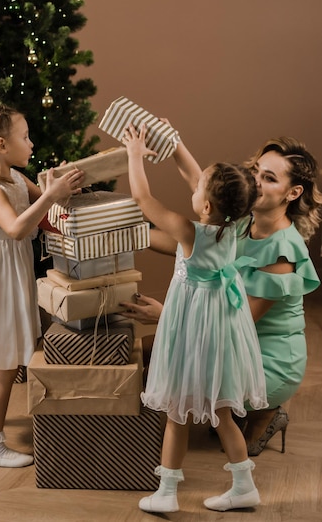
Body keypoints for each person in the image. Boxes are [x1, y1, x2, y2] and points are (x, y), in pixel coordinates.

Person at [122, 134, 322, 458]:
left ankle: (266, 411)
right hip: (222, 325)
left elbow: (238, 318)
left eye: (269, 178)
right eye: (255, 171)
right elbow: (200, 191)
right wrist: (173, 142)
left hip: (262, 350)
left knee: (180, 378)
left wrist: (167, 314)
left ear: (293, 192)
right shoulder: (240, 219)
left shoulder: (283, 253)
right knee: (146, 355)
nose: (255, 182)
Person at [121, 122, 268, 513]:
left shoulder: (190, 232)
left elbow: (142, 198)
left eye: (201, 188)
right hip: (220, 332)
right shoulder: (236, 223)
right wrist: (174, 142)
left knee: (176, 412)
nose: (194, 185)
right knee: (222, 414)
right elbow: (194, 173)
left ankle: (167, 493)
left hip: (191, 333)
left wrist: (135, 154)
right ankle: (243, 485)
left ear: (205, 206)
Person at [0, 104, 84, 467]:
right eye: (25, 137)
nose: (32, 142)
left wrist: (61, 192)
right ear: (3, 145)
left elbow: (43, 209)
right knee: (5, 359)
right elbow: (16, 228)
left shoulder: (15, 177)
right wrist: (51, 198)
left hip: (9, 270)